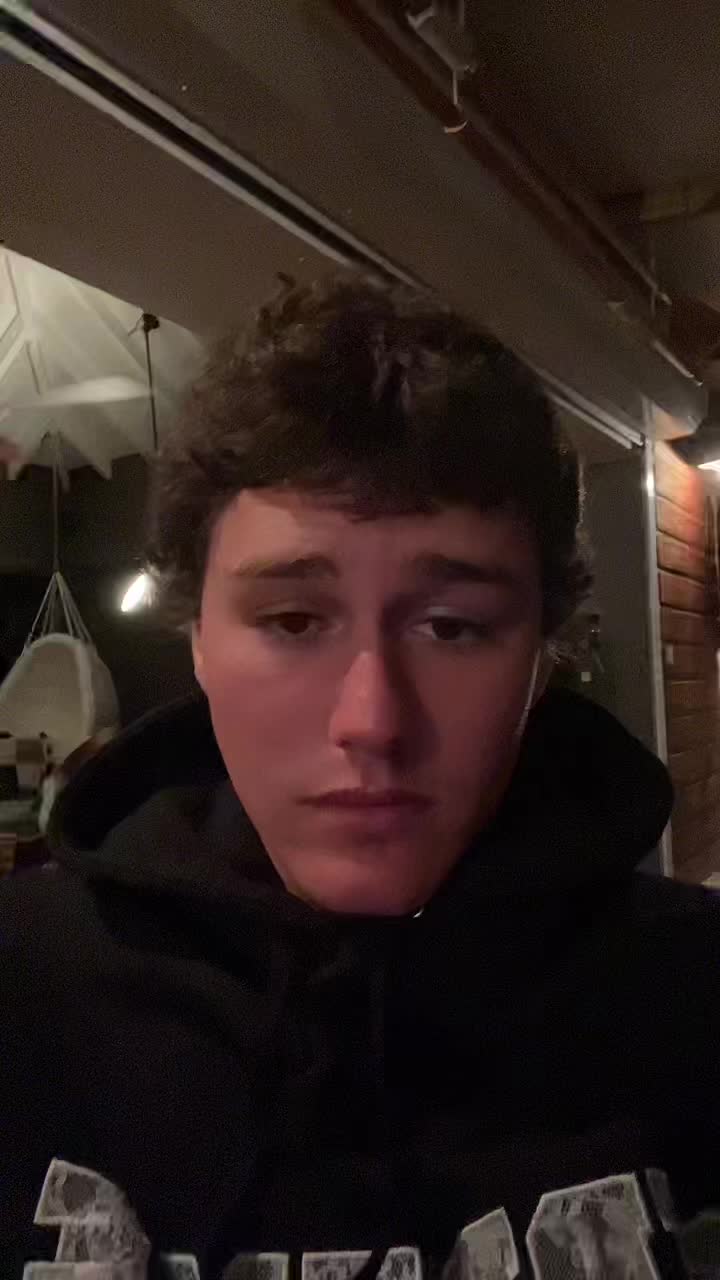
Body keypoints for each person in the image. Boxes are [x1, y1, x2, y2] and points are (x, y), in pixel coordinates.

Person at [0, 276, 717, 1280]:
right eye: (294, 620)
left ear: (541, 654)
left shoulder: (692, 997)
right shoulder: (24, 993)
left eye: (453, 628)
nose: (373, 721)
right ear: (197, 639)